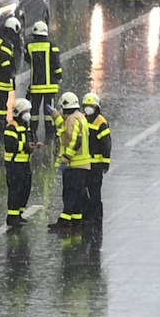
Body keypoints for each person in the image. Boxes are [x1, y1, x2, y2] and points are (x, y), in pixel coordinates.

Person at [51, 92, 91, 233]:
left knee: (69, 192)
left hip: (74, 164)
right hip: (83, 165)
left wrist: (66, 158)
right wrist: (56, 117)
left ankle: (65, 221)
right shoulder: (80, 118)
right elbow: (66, 131)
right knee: (78, 193)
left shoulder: (72, 120)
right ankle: (76, 220)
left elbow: (74, 140)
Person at [25, 20, 61, 141]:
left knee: (34, 111)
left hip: (35, 85)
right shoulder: (52, 45)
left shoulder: (29, 46)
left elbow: (27, 60)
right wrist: (58, 76)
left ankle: (33, 132)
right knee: (49, 111)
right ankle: (49, 134)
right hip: (50, 86)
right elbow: (56, 63)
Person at [3, 96, 34, 227]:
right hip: (14, 165)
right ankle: (12, 216)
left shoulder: (25, 127)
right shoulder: (11, 128)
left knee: (25, 189)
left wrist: (32, 145)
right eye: (26, 111)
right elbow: (10, 145)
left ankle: (19, 214)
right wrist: (25, 146)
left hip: (24, 163)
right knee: (15, 190)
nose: (28, 114)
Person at [82, 91, 112, 227]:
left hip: (96, 165)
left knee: (95, 192)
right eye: (86, 106)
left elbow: (106, 145)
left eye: (91, 106)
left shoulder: (101, 123)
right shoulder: (83, 119)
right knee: (83, 190)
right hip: (84, 163)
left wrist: (105, 163)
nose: (88, 108)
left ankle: (96, 217)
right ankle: (88, 214)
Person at [0, 19, 21, 138]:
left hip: (0, 78)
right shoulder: (6, 43)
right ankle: (0, 125)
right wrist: (11, 73)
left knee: (1, 103)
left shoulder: (3, 40)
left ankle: (0, 123)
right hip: (2, 79)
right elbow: (5, 62)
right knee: (1, 105)